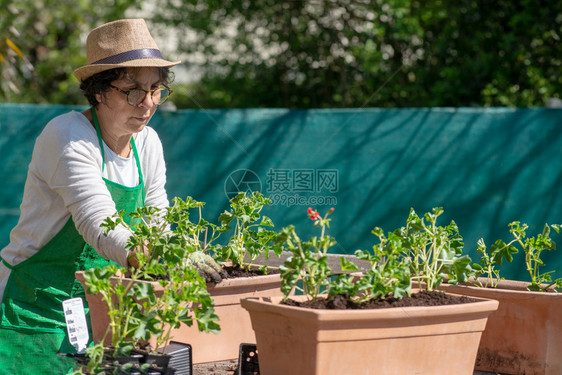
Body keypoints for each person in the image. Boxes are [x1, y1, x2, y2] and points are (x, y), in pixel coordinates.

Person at [0, 19, 222, 374]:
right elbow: (99, 224)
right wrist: (167, 260)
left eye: (156, 90)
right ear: (99, 91)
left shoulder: (146, 143)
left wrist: (179, 249)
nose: (147, 104)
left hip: (104, 308)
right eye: (133, 90)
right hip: (36, 307)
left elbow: (157, 221)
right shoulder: (68, 135)